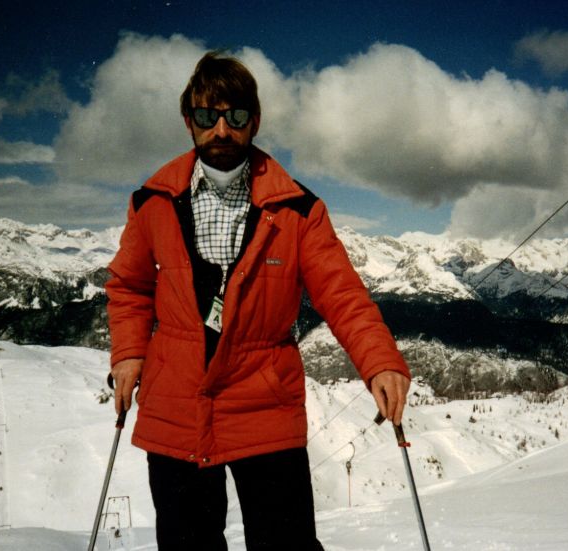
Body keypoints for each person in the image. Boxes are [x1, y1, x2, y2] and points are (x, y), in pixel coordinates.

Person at [105, 51, 411, 550]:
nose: (221, 129)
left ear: (255, 121)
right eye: (208, 116)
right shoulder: (153, 204)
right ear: (189, 122)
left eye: (236, 116)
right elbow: (130, 287)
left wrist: (379, 361)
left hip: (264, 400)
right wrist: (129, 353)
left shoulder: (298, 210)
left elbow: (342, 293)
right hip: (177, 401)